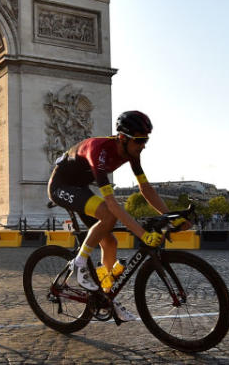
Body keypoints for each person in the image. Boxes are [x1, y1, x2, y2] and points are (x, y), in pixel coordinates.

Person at [47, 110, 187, 322]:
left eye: (146, 140)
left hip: (81, 188)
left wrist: (170, 216)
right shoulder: (99, 150)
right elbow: (112, 204)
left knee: (110, 243)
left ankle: (105, 297)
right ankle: (79, 263)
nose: (143, 146)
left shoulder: (132, 153)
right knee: (108, 215)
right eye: (140, 141)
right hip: (61, 186)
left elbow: (145, 188)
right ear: (123, 138)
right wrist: (142, 234)